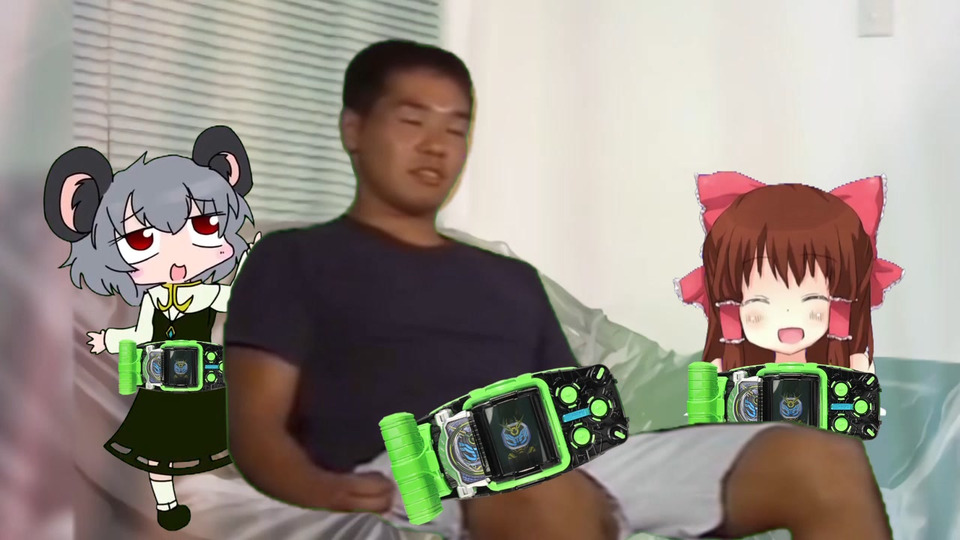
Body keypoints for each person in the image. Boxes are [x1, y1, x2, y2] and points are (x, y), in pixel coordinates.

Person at [223, 40, 892, 540]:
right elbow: (255, 428)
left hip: (542, 452)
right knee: (543, 487)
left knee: (819, 454)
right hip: (415, 464)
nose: (436, 146)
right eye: (411, 121)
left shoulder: (509, 280)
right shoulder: (295, 259)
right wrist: (323, 490)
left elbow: (575, 419)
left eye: (455, 128)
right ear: (354, 130)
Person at [42, 126, 259, 531]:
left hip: (205, 387)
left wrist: (245, 273)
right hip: (160, 389)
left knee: (218, 443)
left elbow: (237, 302)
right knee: (157, 456)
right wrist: (108, 339)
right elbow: (141, 334)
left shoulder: (208, 293)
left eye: (204, 226)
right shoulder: (152, 299)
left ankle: (223, 495)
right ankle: (167, 505)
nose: (178, 255)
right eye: (142, 239)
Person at [675, 172, 903, 372]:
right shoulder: (723, 370)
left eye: (815, 312)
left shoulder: (852, 367)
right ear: (731, 309)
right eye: (757, 315)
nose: (788, 327)